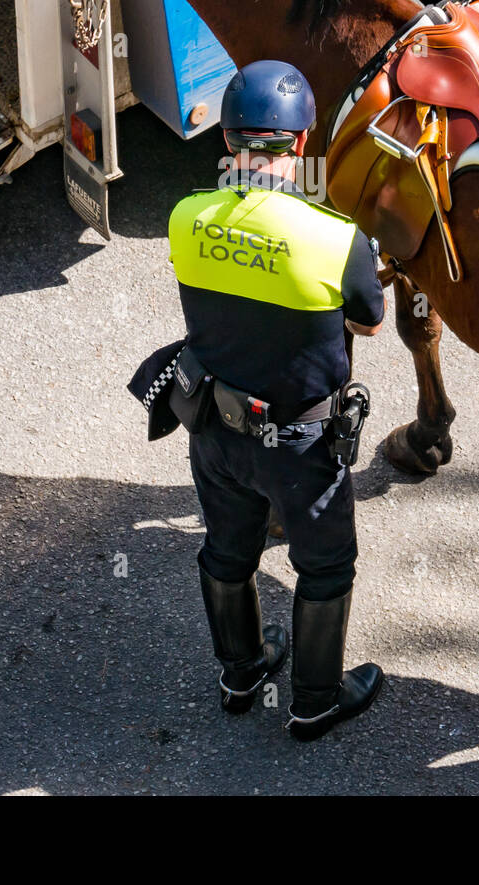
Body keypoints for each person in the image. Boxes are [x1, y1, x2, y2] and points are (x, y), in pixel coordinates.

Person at [167, 60, 386, 740]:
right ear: (300, 143)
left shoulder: (186, 217)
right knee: (325, 565)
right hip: (299, 443)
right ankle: (315, 702)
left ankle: (241, 675)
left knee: (226, 551)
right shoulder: (334, 238)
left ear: (229, 142)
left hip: (214, 427)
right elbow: (370, 321)